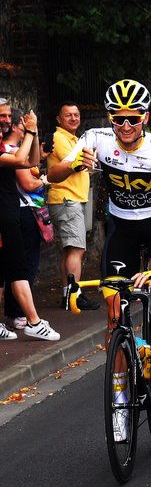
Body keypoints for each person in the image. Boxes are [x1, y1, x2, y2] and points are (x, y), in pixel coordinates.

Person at [49, 80, 151, 442]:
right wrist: (74, 163)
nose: (125, 126)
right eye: (118, 119)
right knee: (114, 318)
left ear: (144, 116)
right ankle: (121, 401)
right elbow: (52, 174)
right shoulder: (95, 139)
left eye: (133, 118)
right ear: (110, 118)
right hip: (121, 230)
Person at [0, 101, 60, 341]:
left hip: (8, 214)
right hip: (5, 217)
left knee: (9, 272)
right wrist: (31, 132)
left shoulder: (5, 146)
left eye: (7, 115)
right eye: (1, 116)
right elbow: (19, 160)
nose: (5, 119)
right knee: (19, 271)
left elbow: (32, 160)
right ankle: (33, 322)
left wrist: (32, 136)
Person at [45, 101, 101, 311]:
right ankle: (73, 297)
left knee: (71, 250)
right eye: (68, 115)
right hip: (67, 199)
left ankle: (68, 294)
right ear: (59, 119)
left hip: (73, 198)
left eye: (76, 115)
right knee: (76, 249)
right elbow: (77, 161)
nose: (74, 118)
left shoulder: (73, 138)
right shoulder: (58, 138)